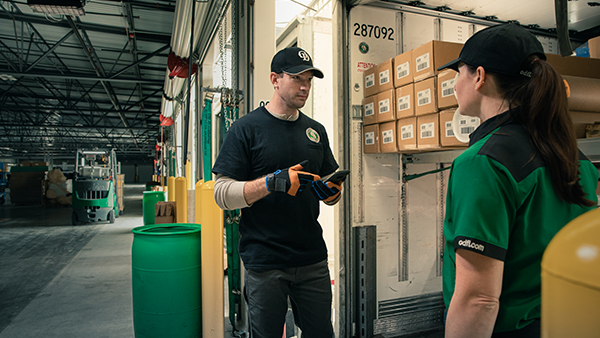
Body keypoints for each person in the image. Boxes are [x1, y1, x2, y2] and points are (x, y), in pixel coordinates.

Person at [438, 23, 598, 338]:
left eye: (459, 73)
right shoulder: (576, 158)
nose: (455, 84)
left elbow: (478, 299)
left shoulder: (482, 163)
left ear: (479, 77)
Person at [212, 47, 343, 337]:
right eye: (297, 78)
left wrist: (332, 192)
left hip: (311, 258)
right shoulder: (245, 129)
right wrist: (270, 183)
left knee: (321, 333)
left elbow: (330, 187)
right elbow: (221, 194)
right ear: (275, 79)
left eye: (309, 79)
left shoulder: (316, 131)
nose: (305, 86)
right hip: (265, 261)